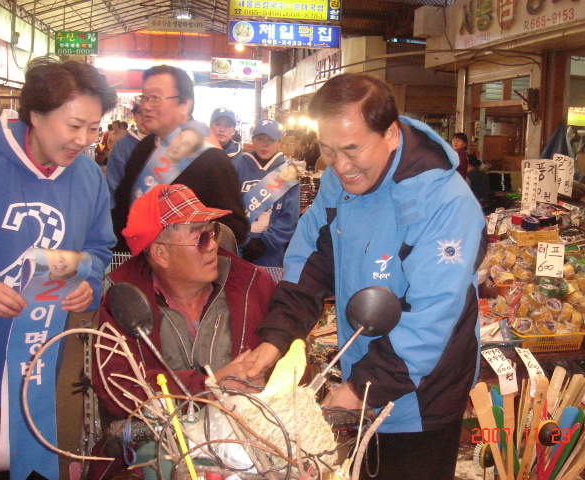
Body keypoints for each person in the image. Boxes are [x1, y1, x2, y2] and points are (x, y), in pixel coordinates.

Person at [245, 74, 486, 480]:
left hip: (422, 396)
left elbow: (431, 315)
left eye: (352, 150)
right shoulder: (339, 183)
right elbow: (310, 261)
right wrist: (275, 340)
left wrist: (361, 388)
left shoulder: (445, 202)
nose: (340, 167)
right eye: (327, 150)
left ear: (391, 134)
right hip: (363, 371)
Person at [90, 184, 275, 478]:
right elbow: (118, 387)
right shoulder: (122, 301)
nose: (213, 244)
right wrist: (208, 386)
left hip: (251, 443)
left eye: (213, 232)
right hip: (158, 447)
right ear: (160, 254)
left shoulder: (254, 284)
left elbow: (289, 358)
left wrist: (265, 373)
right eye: (200, 238)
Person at [0, 55, 117, 474]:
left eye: (94, 128)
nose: (84, 139)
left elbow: (100, 248)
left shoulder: (88, 177)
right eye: (74, 125)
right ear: (35, 115)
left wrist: (89, 281)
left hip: (41, 366)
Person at [112, 65, 249, 251]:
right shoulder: (144, 148)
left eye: (156, 98)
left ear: (185, 104)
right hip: (139, 264)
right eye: (144, 97)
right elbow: (123, 209)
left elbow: (236, 227)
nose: (145, 106)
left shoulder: (211, 158)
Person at [232, 119, 300, 267]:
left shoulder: (287, 172)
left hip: (272, 254)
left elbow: (290, 218)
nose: (265, 144)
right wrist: (243, 239)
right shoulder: (238, 165)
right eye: (260, 138)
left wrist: (265, 243)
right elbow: (230, 208)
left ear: (279, 142)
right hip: (240, 248)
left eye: (271, 139)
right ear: (253, 139)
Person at [106, 104, 151, 208]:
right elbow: (113, 183)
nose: (144, 117)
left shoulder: (166, 144)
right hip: (128, 212)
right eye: (139, 113)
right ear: (134, 116)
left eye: (149, 113)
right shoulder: (122, 145)